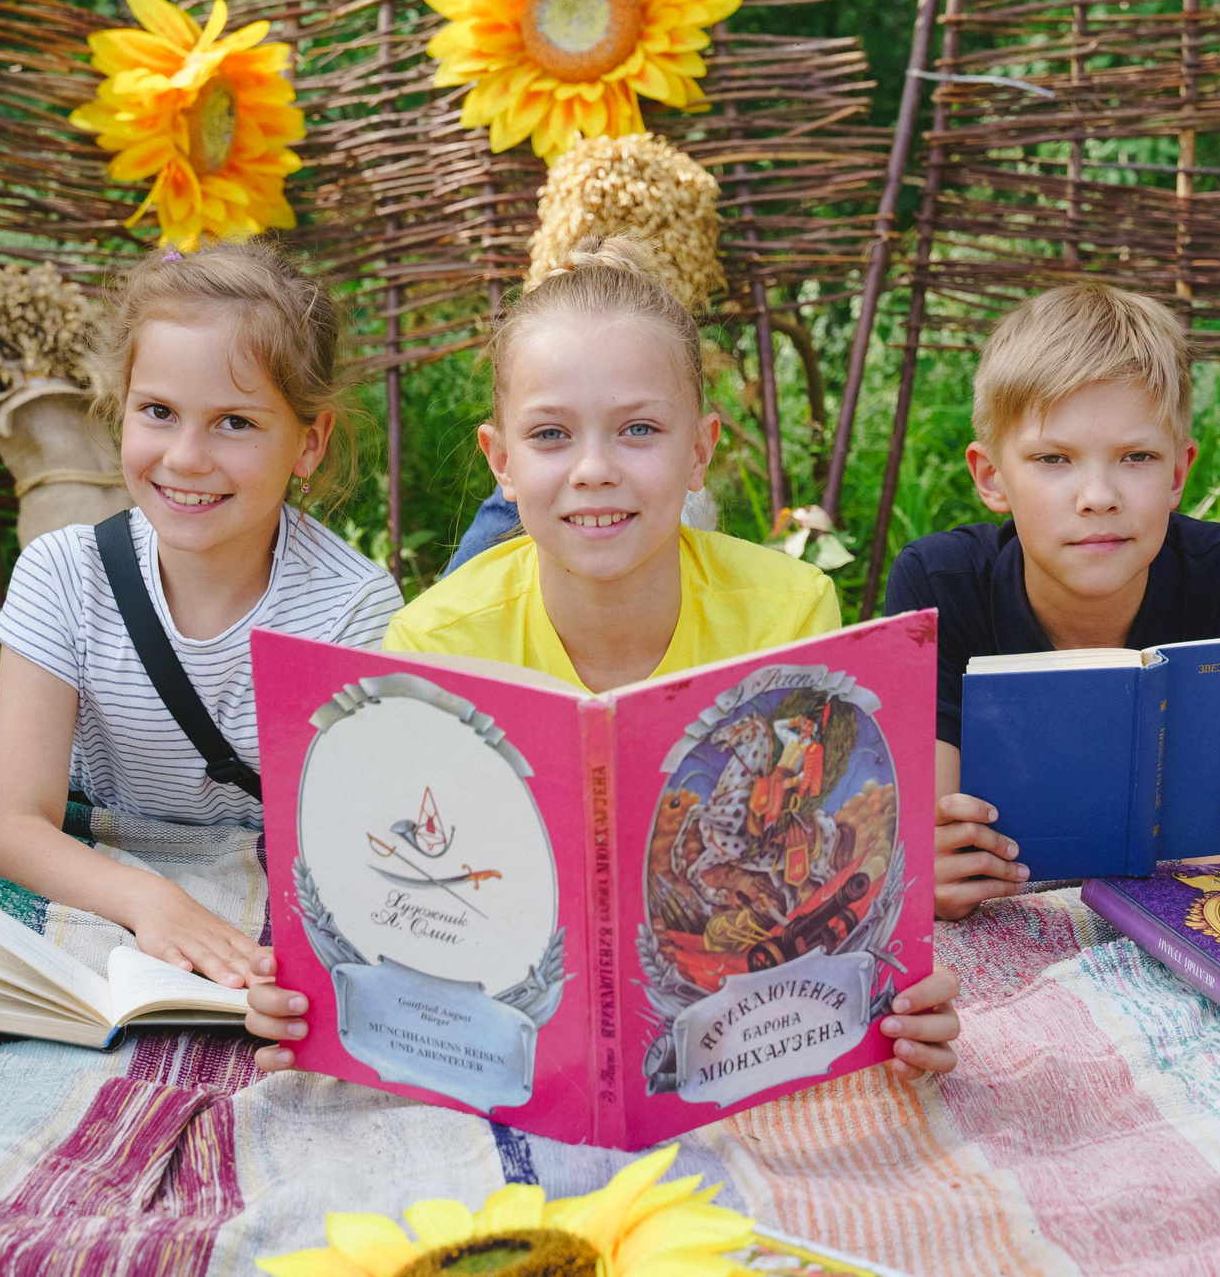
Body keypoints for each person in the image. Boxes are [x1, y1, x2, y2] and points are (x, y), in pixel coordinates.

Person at [248, 236, 963, 1079]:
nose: (594, 469)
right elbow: (402, 904)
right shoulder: (433, 645)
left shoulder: (791, 612)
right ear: (501, 462)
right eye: (551, 434)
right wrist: (320, 1000)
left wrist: (894, 993)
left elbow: (823, 868)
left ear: (699, 448)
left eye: (639, 430)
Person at [0, 242, 403, 1001]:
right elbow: (13, 825)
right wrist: (152, 902)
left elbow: (360, 841)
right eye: (159, 412)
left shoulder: (353, 610)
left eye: (234, 422)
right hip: (108, 864)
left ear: (309, 442)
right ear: (122, 406)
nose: (185, 456)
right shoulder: (63, 574)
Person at [885, 282, 1220, 921]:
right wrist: (925, 870)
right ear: (992, 477)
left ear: (1178, 474)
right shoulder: (938, 584)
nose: (1098, 496)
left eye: (1136, 457)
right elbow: (928, 830)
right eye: (1054, 459)